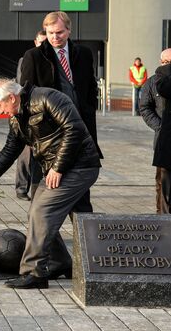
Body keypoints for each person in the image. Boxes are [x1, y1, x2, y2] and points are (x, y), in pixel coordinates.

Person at [0, 79, 101, 289]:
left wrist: (58, 167)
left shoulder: (48, 98)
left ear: (11, 98)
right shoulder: (16, 117)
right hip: (54, 168)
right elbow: (10, 149)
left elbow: (73, 129)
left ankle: (34, 273)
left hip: (79, 166)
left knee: (42, 212)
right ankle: (61, 263)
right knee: (37, 213)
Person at [19, 11, 102, 212]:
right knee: (43, 196)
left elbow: (90, 87)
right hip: (49, 135)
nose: (55, 37)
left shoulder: (83, 53)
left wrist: (89, 110)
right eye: (50, 33)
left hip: (80, 128)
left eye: (59, 32)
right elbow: (26, 95)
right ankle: (44, 238)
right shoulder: (34, 56)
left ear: (69, 30)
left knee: (81, 194)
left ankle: (83, 236)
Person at [14, 29, 47, 201]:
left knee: (39, 156)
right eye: (41, 42)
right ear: (35, 42)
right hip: (30, 113)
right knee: (26, 155)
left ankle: (36, 189)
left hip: (47, 115)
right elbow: (23, 85)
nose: (43, 45)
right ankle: (21, 188)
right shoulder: (26, 59)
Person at [140, 49, 171, 213]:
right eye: (165, 62)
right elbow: (145, 107)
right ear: (160, 62)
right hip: (163, 140)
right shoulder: (153, 82)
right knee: (162, 181)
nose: (168, 66)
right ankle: (162, 215)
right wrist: (160, 126)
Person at [153, 57, 171, 214]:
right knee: (165, 188)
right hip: (168, 142)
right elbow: (164, 88)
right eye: (166, 61)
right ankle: (165, 222)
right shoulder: (162, 74)